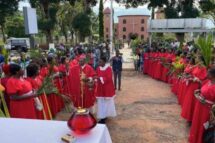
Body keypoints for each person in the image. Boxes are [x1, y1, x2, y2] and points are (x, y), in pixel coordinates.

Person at [189, 67, 215, 143]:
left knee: (203, 125)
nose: (206, 74)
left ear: (213, 75)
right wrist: (199, 91)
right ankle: (195, 139)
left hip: (207, 109)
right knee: (197, 122)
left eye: (208, 73)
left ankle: (200, 140)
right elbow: (203, 90)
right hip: (199, 106)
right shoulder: (208, 81)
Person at [95, 57, 117, 124]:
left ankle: (104, 117)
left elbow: (109, 78)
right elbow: (96, 75)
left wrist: (99, 78)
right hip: (100, 88)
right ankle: (102, 116)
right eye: (99, 62)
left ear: (104, 62)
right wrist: (95, 79)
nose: (99, 63)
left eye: (101, 62)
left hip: (107, 88)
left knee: (106, 103)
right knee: (101, 103)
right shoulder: (98, 68)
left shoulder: (108, 68)